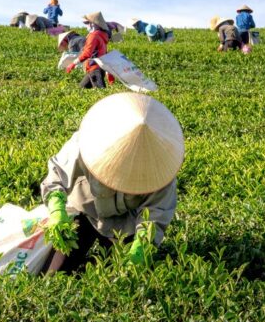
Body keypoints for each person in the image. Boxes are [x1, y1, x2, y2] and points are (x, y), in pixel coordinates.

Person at [40, 92, 183, 272]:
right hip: (85, 210)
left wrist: (141, 247)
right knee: (55, 272)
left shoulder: (162, 170)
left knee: (119, 275)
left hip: (125, 224)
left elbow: (155, 214)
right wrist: (56, 210)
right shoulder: (86, 142)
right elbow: (57, 174)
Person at [67, 11, 113, 88]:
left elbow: (87, 53)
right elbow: (105, 54)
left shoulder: (93, 36)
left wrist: (73, 63)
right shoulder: (102, 36)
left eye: (87, 23)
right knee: (81, 88)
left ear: (93, 24)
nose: (86, 26)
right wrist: (109, 72)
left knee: (100, 92)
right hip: (97, 69)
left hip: (94, 68)